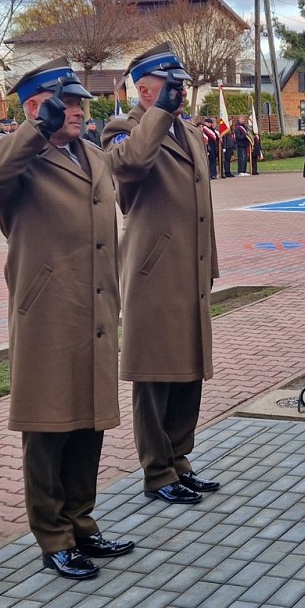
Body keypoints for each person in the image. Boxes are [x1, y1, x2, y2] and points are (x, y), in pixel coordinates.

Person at [0, 58, 133, 582]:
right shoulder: (15, 154)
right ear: (37, 106)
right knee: (48, 427)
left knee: (88, 420)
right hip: (48, 313)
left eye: (81, 102)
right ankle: (52, 536)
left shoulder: (92, 154)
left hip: (95, 308)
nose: (80, 110)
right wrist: (35, 131)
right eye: (69, 102)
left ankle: (81, 521)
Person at [101, 42, 221, 507]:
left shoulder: (188, 132)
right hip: (152, 273)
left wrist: (209, 263)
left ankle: (179, 460)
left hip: (190, 270)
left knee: (189, 370)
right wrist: (157, 116)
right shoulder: (123, 129)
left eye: (182, 85)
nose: (181, 92)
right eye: (172, 85)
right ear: (146, 90)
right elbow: (128, 166)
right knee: (155, 375)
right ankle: (156, 471)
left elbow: (202, 206)